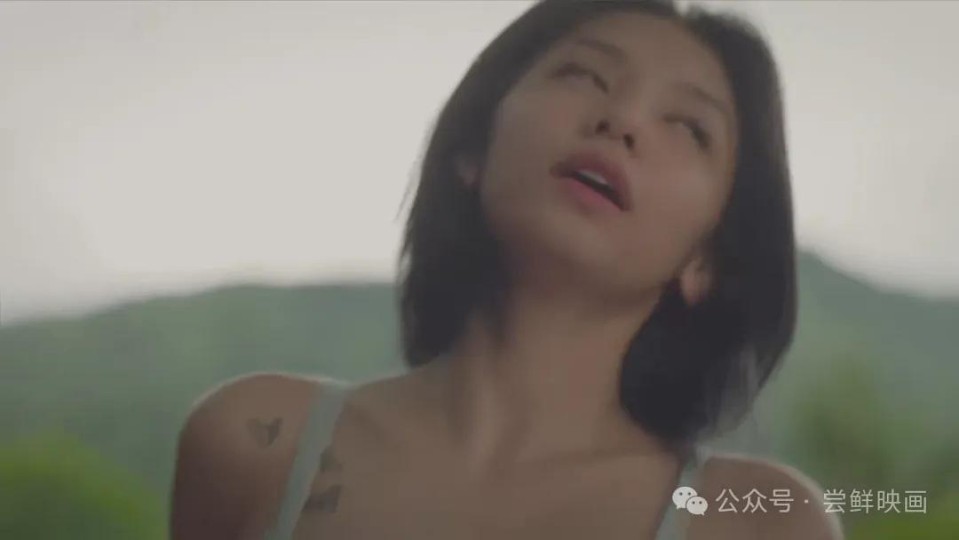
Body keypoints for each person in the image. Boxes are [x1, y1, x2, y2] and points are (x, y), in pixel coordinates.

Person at [170, 0, 843, 538]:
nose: (622, 121)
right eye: (585, 76)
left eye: (689, 127)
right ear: (473, 147)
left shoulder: (759, 523)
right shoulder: (258, 444)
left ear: (706, 260)